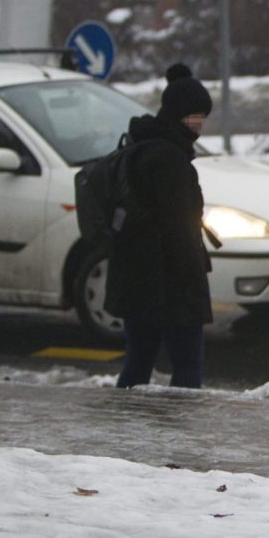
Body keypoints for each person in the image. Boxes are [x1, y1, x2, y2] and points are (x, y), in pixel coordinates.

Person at [107, 63, 214, 389]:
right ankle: (179, 434)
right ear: (180, 115)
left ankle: (125, 424)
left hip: (136, 274)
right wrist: (192, 282)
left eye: (203, 116)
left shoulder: (140, 144)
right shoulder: (169, 160)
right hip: (169, 282)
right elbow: (178, 227)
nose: (200, 124)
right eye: (196, 116)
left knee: (139, 359)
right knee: (187, 366)